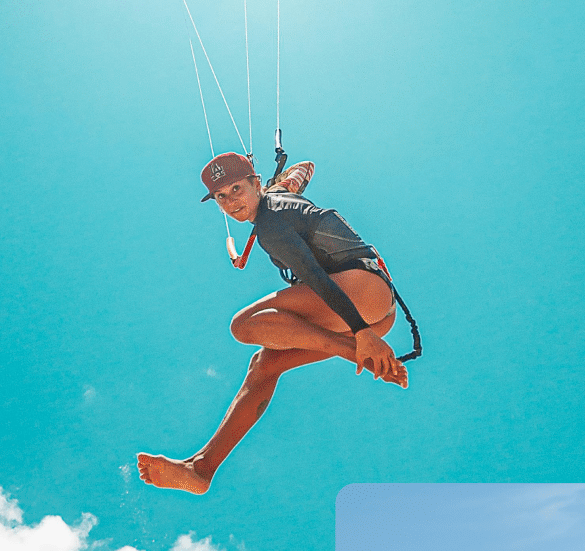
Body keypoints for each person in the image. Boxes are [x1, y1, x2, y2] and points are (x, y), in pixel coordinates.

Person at [137, 153, 410, 494]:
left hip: (358, 298)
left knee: (245, 325)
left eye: (237, 189)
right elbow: (304, 169)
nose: (231, 201)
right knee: (265, 364)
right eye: (221, 197)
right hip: (375, 308)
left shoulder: (272, 224)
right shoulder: (280, 195)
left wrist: (361, 336)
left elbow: (315, 277)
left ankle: (355, 351)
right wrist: (284, 179)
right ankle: (202, 469)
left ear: (255, 183)